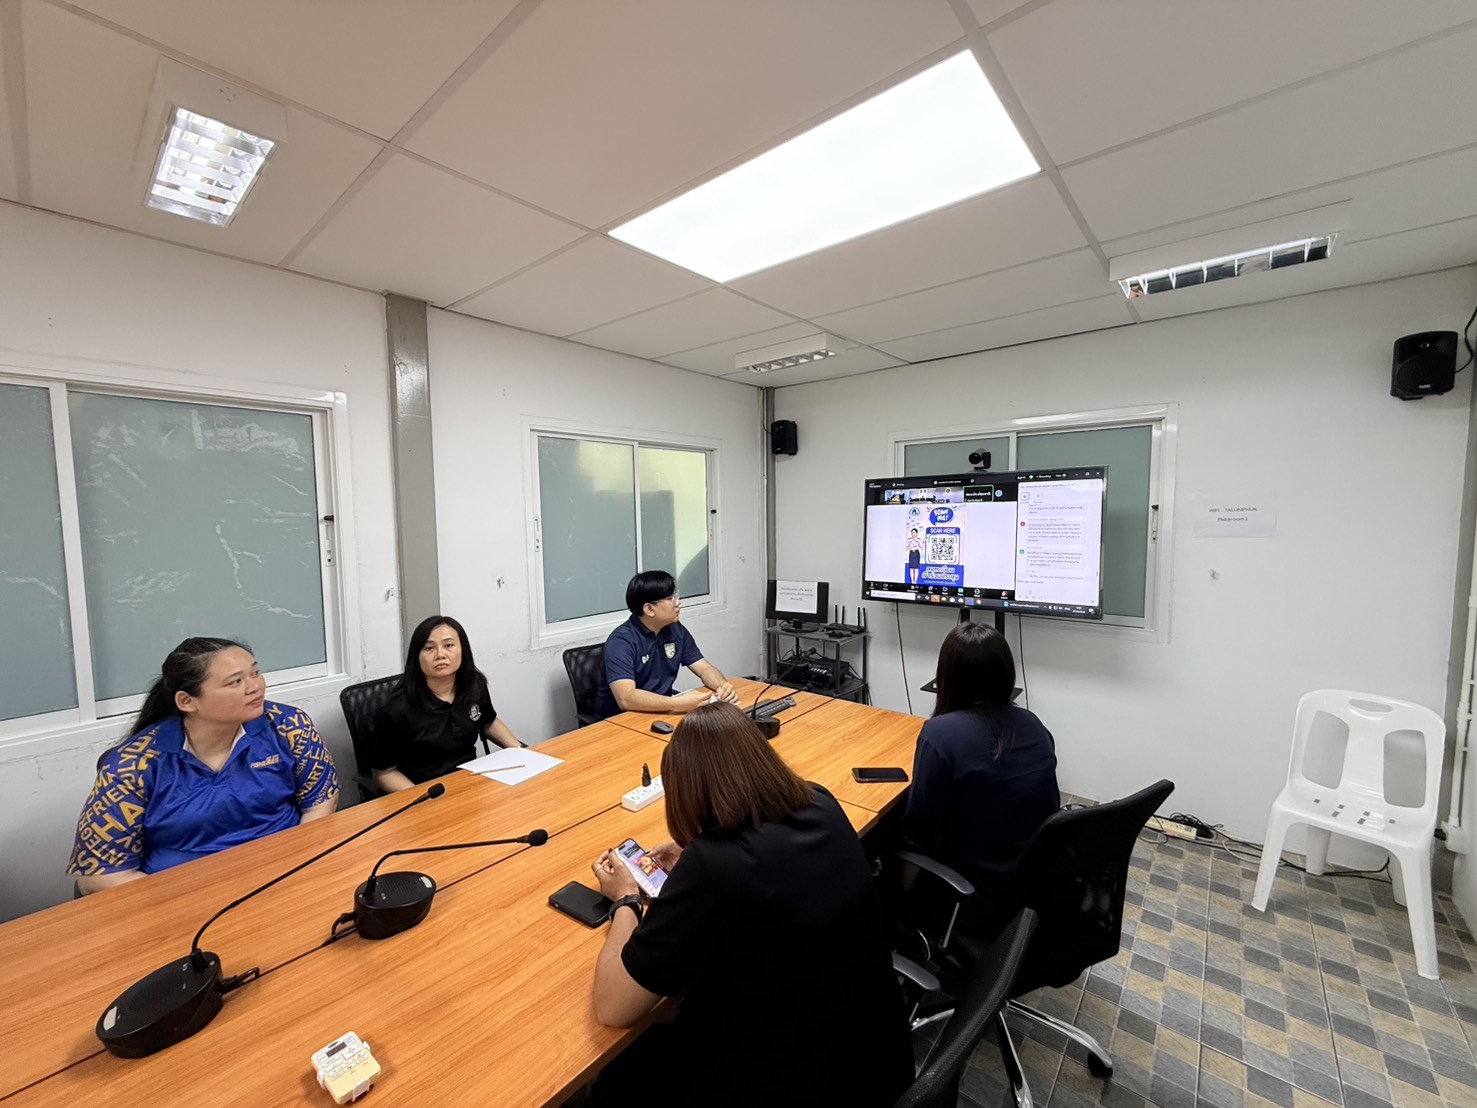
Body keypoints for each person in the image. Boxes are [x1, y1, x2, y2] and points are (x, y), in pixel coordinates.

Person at [585, 703, 913, 1107]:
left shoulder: (714, 865)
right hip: (872, 1059)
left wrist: (626, 899)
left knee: (621, 1071)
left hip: (789, 1081)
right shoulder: (820, 800)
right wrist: (698, 849)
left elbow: (614, 1007)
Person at [67, 637, 339, 894]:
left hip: (287, 874)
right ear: (187, 701)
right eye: (235, 682)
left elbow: (320, 801)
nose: (255, 687)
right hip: (184, 895)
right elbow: (99, 874)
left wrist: (302, 863)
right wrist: (190, 901)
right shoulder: (133, 765)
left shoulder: (288, 726)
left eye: (255, 673)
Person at [902, 621, 1059, 936]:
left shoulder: (941, 734)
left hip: (971, 896)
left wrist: (901, 897)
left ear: (947, 676)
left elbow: (918, 833)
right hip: (1030, 889)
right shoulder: (1033, 724)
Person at [366, 615, 523, 791]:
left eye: (448, 645)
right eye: (429, 648)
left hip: (469, 781)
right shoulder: (397, 709)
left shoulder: (474, 685)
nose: (440, 655)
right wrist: (423, 799)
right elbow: (384, 773)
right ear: (416, 656)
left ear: (463, 650)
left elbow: (488, 722)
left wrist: (521, 752)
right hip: (424, 790)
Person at [593, 570, 740, 719]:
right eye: (670, 598)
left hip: (662, 711)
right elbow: (626, 698)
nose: (678, 602)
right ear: (649, 609)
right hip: (621, 719)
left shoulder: (675, 630)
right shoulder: (621, 642)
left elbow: (704, 668)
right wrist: (677, 703)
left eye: (676, 596)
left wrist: (722, 686)